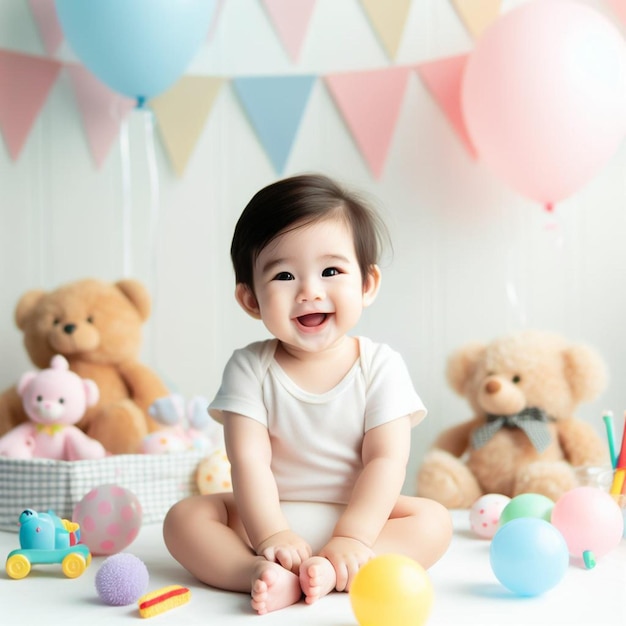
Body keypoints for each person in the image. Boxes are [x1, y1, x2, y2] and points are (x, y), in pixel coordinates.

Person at [163, 174, 452, 615]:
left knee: (434, 521)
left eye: (331, 271)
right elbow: (248, 461)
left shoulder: (381, 366)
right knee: (184, 519)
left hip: (359, 519)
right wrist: (271, 536)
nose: (309, 291)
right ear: (251, 300)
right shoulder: (249, 368)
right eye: (283, 275)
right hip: (266, 520)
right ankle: (257, 575)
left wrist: (352, 536)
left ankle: (339, 567)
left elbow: (386, 461)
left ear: (367, 284)